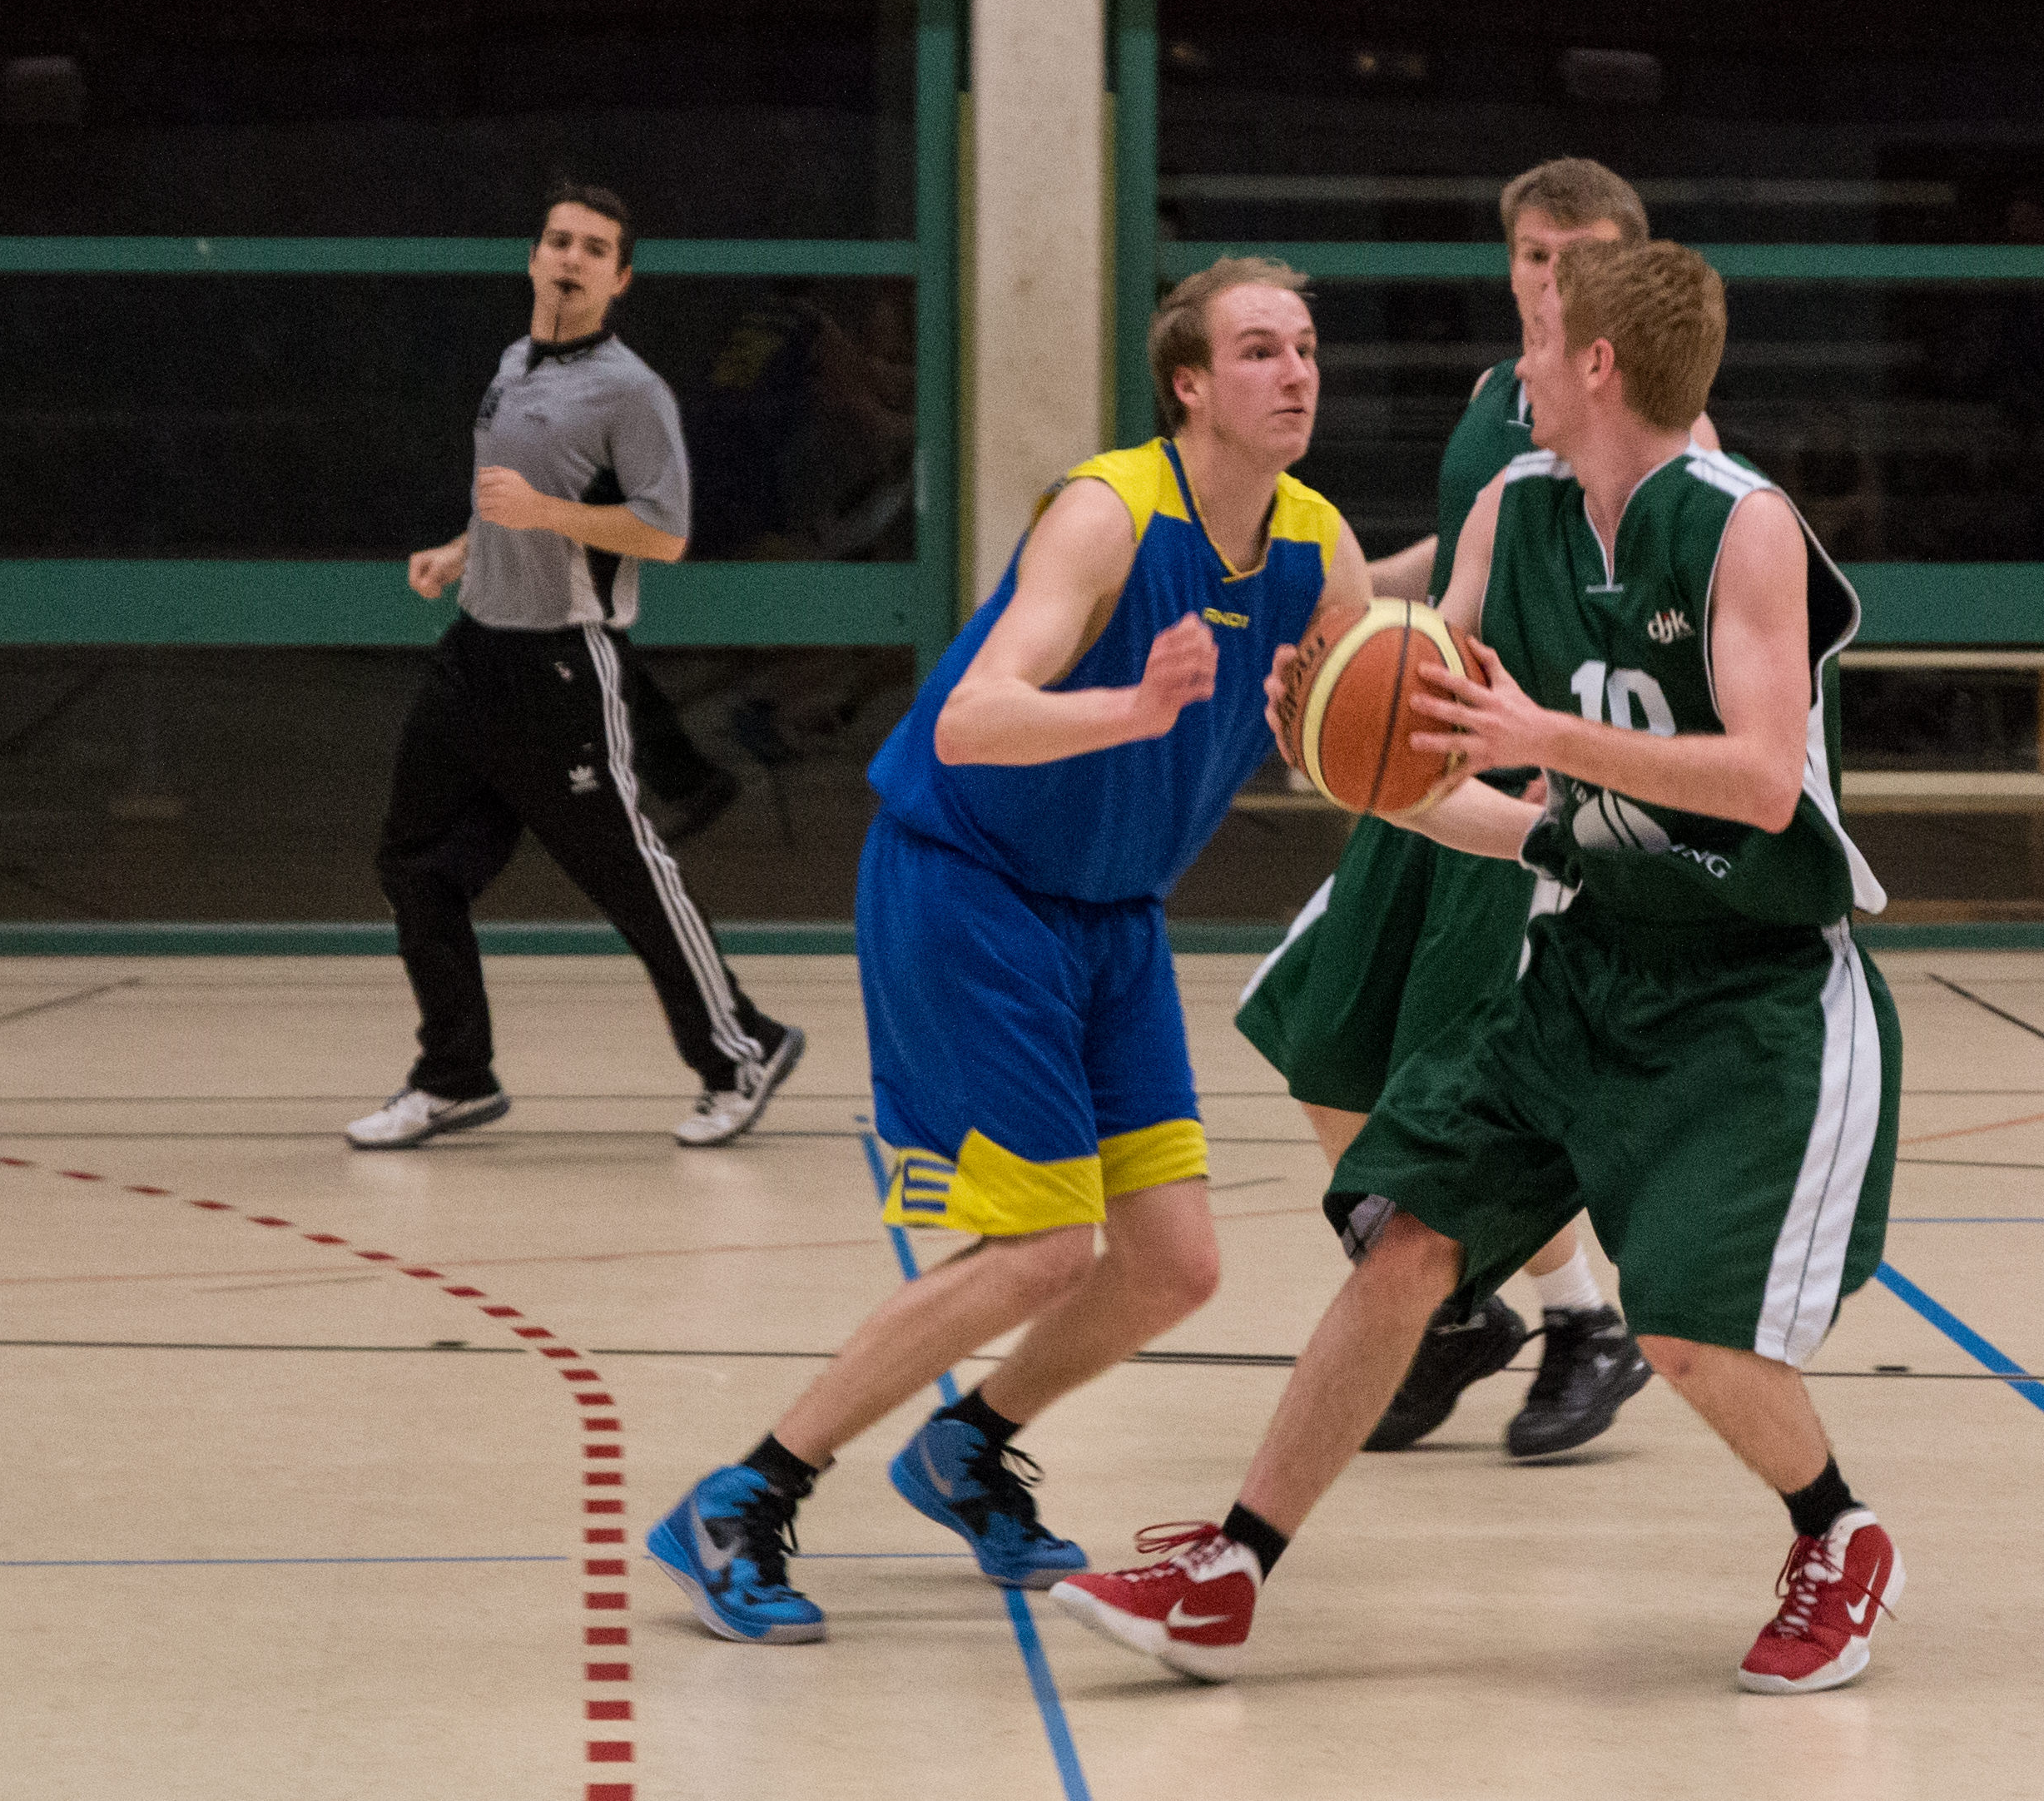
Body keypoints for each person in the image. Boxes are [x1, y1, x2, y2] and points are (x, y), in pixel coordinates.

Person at [1058, 240, 1905, 1697]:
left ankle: (1838, 1532)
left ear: (1598, 365)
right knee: (1406, 1243)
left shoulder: (1740, 524)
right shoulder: (1517, 507)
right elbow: (1441, 749)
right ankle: (1229, 1569)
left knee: (1683, 1329)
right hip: (1583, 957)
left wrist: (1543, 739)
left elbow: (1764, 780)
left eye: (1545, 337)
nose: (1521, 359)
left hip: (1752, 987)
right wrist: (1331, 732)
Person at [648, 259, 1372, 1645]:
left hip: (1112, 912)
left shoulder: (1312, 541)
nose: (1295, 372)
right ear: (1189, 383)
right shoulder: (1108, 512)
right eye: (1259, 349)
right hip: (969, 885)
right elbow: (969, 715)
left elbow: (1370, 728)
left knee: (1172, 1262)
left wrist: (1529, 802)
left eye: (1304, 347)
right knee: (1042, 1248)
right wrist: (1132, 707)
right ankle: (744, 1494)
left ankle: (965, 1446)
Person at [1240, 159, 1700, 1456]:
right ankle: (1453, 1312)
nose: (1554, 275)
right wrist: (1337, 630)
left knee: (1463, 1078)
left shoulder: (1666, 429)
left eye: (1583, 253)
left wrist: (1600, 764)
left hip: (1527, 785)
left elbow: (1667, 623)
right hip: (1429, 761)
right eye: (1536, 252)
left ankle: (1581, 1318)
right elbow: (1460, 559)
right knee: (1317, 1034)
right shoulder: (1497, 394)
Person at [345, 185, 803, 1151]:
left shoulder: (631, 391)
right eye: (559, 240)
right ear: (533, 256)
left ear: (619, 278)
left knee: (627, 871)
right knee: (413, 863)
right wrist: (462, 548)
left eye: (594, 248)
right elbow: (511, 500)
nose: (571, 257)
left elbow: (665, 533)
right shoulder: (514, 362)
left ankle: (742, 1048)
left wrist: (545, 516)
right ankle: (455, 1073)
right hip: (473, 655)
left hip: (561, 664)